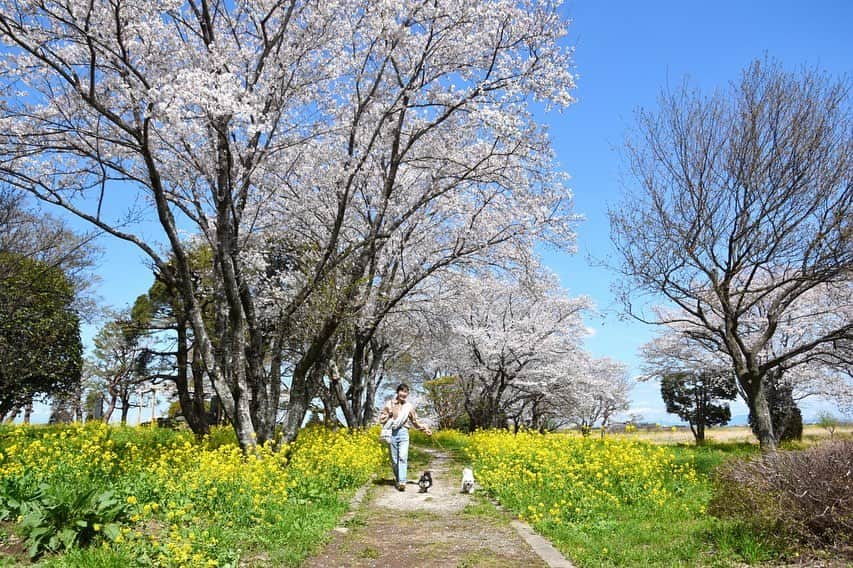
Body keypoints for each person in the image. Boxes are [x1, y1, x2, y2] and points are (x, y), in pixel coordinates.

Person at [378, 383, 432, 491]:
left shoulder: (409, 407)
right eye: (402, 391)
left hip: (404, 433)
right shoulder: (389, 404)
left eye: (406, 392)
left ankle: (402, 482)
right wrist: (389, 415)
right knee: (394, 460)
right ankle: (399, 479)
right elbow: (381, 419)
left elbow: (415, 422)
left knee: (402, 457)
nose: (403, 394)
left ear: (407, 394)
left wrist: (425, 429)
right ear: (397, 392)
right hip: (392, 433)